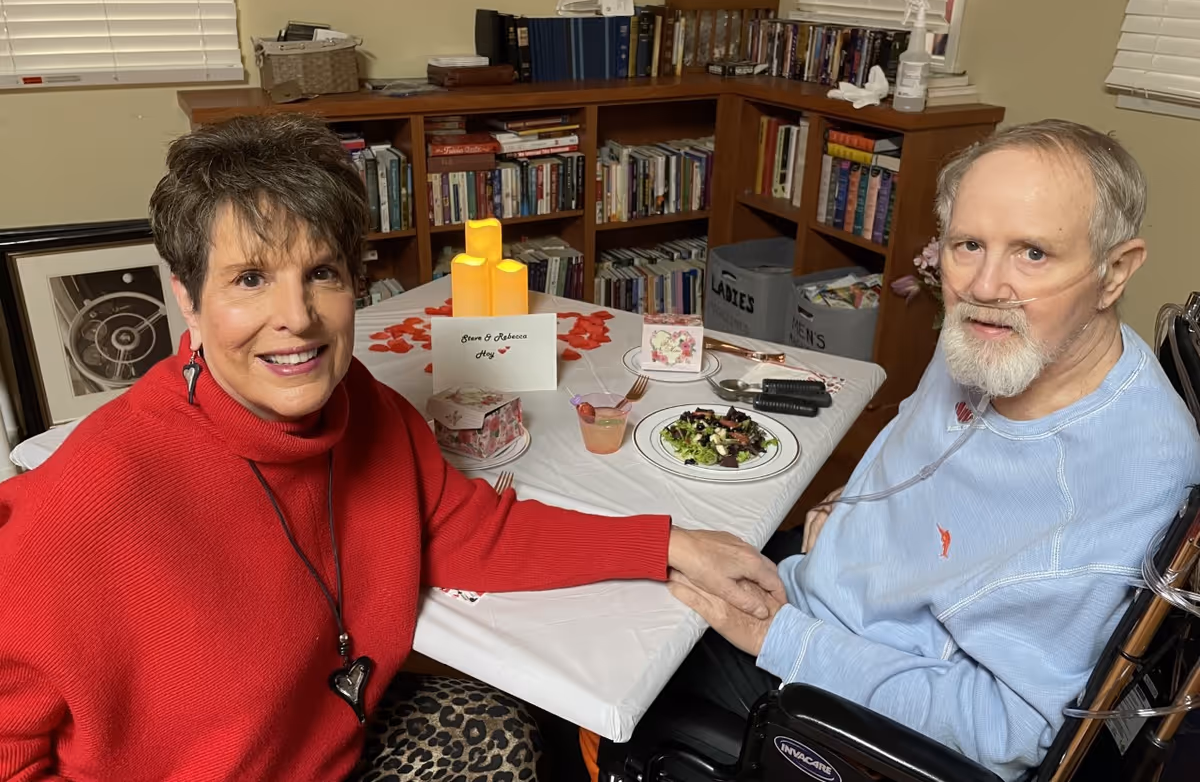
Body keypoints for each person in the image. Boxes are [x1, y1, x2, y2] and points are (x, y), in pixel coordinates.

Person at [0, 114, 783, 782]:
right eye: (248, 279)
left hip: (336, 747)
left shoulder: (363, 405)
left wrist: (671, 543)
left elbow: (474, 534)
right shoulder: (87, 502)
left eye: (323, 273)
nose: (296, 317)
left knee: (514, 725)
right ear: (187, 296)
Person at [656, 119, 1200, 781]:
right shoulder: (1001, 341)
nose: (983, 286)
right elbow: (920, 445)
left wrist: (784, 638)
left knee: (618, 671)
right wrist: (851, 504)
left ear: (1114, 271)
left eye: (1033, 253)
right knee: (634, 567)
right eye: (968, 243)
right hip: (821, 583)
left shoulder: (1125, 474)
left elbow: (1006, 732)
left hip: (848, 696)